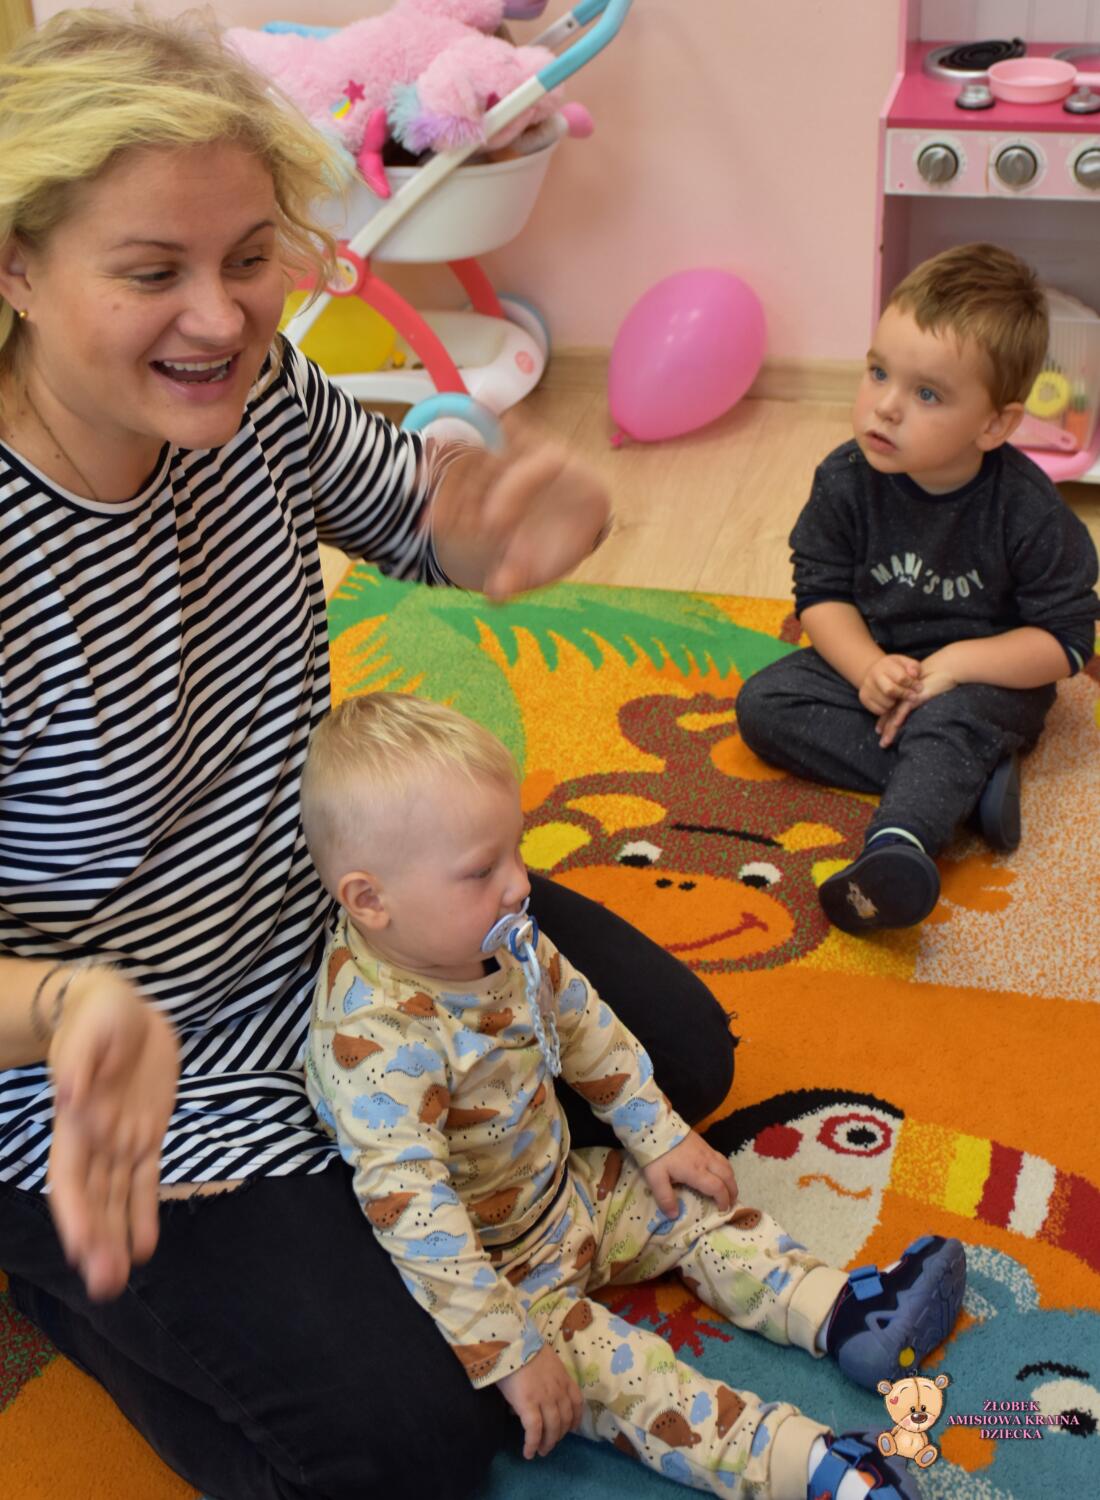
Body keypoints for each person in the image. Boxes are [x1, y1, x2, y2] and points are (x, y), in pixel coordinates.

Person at [0, 11, 737, 1499]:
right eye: (150, 271)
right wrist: (70, 1010)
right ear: (16, 268)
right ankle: (52, 1273)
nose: (220, 316)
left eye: (249, 257)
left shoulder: (254, 394)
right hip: (99, 1067)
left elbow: (422, 512)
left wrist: (497, 527)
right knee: (409, 1446)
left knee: (682, 1055)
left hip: (340, 935)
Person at [299, 690, 968, 1500]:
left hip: (568, 1189)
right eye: (482, 870)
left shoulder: (494, 937)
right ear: (370, 900)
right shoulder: (375, 1043)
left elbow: (583, 1021)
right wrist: (508, 1350)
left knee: (698, 1208)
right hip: (506, 1284)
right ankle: (809, 1468)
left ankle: (847, 1314)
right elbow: (416, 1219)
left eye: (515, 852)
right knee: (640, 1386)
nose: (518, 885)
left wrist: (654, 1132)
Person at [735, 243, 1100, 934]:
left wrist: (956, 665)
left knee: (952, 722)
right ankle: (972, 786)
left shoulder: (1027, 511)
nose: (886, 407)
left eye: (927, 394)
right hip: (883, 658)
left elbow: (1067, 641)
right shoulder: (844, 480)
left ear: (995, 424)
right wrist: (868, 668)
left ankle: (898, 844)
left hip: (985, 683)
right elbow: (820, 594)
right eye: (878, 372)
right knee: (764, 705)